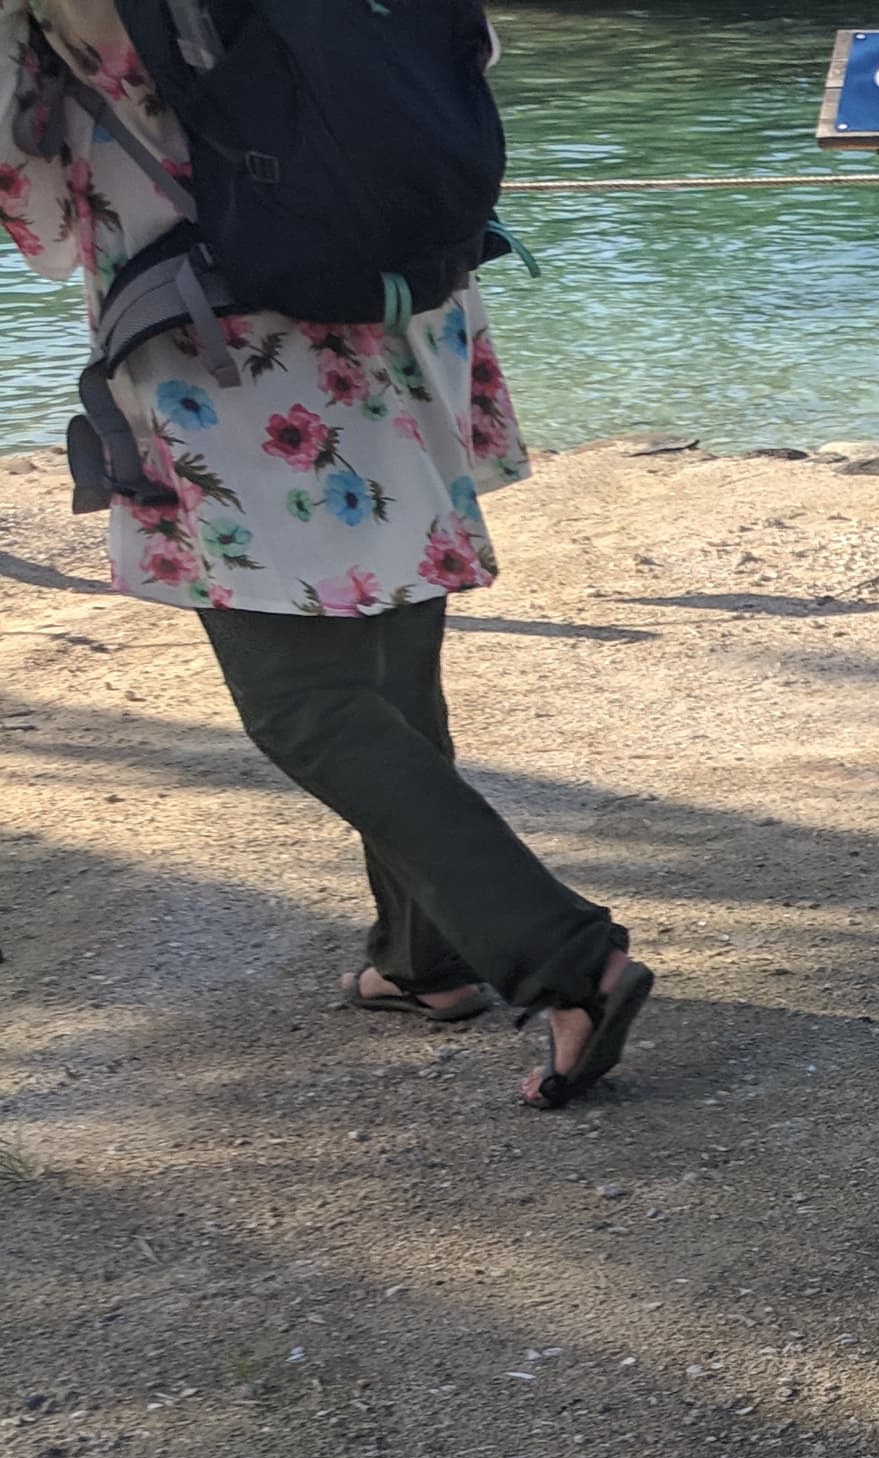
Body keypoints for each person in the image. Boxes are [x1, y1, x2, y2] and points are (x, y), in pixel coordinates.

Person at [3, 0, 649, 1107]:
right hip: (401, 299)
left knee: (299, 698)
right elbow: (465, 55)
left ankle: (563, 958)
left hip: (222, 329)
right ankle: (427, 961)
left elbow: (42, 211)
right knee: (389, 647)